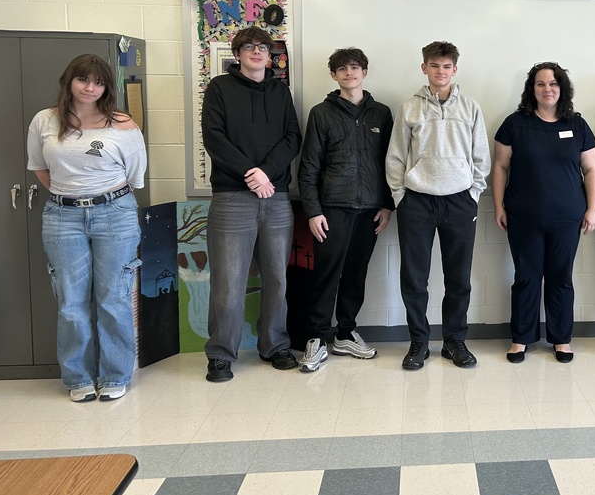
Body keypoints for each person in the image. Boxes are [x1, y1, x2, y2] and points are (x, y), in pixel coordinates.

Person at [27, 54, 147, 402]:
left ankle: (115, 374)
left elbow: (135, 176)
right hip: (63, 217)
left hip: (115, 214)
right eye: (83, 80)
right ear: (69, 81)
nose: (90, 87)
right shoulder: (44, 121)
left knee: (114, 296)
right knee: (70, 301)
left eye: (98, 82)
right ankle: (77, 377)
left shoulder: (122, 124)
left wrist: (96, 196)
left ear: (106, 87)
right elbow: (39, 168)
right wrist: (73, 195)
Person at [201, 26, 302, 382]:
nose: (258, 52)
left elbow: (293, 138)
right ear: (238, 53)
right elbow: (214, 137)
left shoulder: (280, 91)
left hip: (275, 198)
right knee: (229, 282)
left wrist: (267, 174)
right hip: (232, 198)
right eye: (250, 47)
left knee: (277, 278)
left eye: (263, 47)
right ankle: (221, 355)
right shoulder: (219, 89)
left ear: (271, 54)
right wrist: (250, 173)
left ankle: (274, 345)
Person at [386, 41, 490, 370]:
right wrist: (401, 196)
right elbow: (396, 156)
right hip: (417, 202)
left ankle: (454, 341)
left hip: (460, 202)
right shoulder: (409, 108)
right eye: (434, 66)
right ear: (424, 68)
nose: (440, 71)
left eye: (446, 66)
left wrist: (473, 192)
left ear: (455, 70)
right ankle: (418, 343)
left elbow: (481, 157)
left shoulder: (471, 107)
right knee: (414, 278)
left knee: (458, 278)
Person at [491, 62, 595, 364]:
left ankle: (561, 339)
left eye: (553, 84)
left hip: (567, 217)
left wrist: (592, 209)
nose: (547, 89)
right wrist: (498, 205)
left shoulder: (577, 124)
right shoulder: (515, 123)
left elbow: (591, 169)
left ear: (562, 89)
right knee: (526, 276)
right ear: (532, 89)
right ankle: (521, 338)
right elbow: (500, 166)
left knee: (560, 278)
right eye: (541, 84)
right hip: (523, 216)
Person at [298, 47, 394, 372]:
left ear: (364, 72)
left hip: (370, 210)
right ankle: (316, 338)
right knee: (327, 275)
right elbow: (309, 166)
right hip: (331, 209)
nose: (349, 73)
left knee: (356, 274)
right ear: (334, 75)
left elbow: (391, 164)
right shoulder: (321, 113)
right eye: (342, 68)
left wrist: (387, 205)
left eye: (355, 67)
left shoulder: (381, 113)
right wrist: (313, 211)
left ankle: (345, 332)